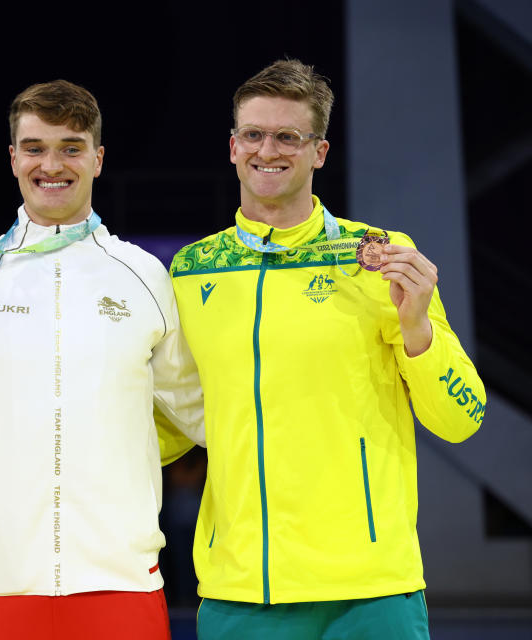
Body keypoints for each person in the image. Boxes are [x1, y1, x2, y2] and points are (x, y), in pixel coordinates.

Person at [169, 59, 486, 639]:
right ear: (234, 146)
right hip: (240, 590)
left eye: (289, 136)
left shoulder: (383, 258)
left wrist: (419, 329)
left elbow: (464, 418)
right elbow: (173, 417)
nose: (270, 149)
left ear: (319, 151)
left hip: (369, 594)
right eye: (255, 134)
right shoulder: (191, 271)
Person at [0, 79, 204, 640]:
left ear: (98, 158)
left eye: (71, 146)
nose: (53, 164)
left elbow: (201, 414)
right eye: (36, 147)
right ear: (13, 158)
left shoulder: (143, 275)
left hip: (123, 585)